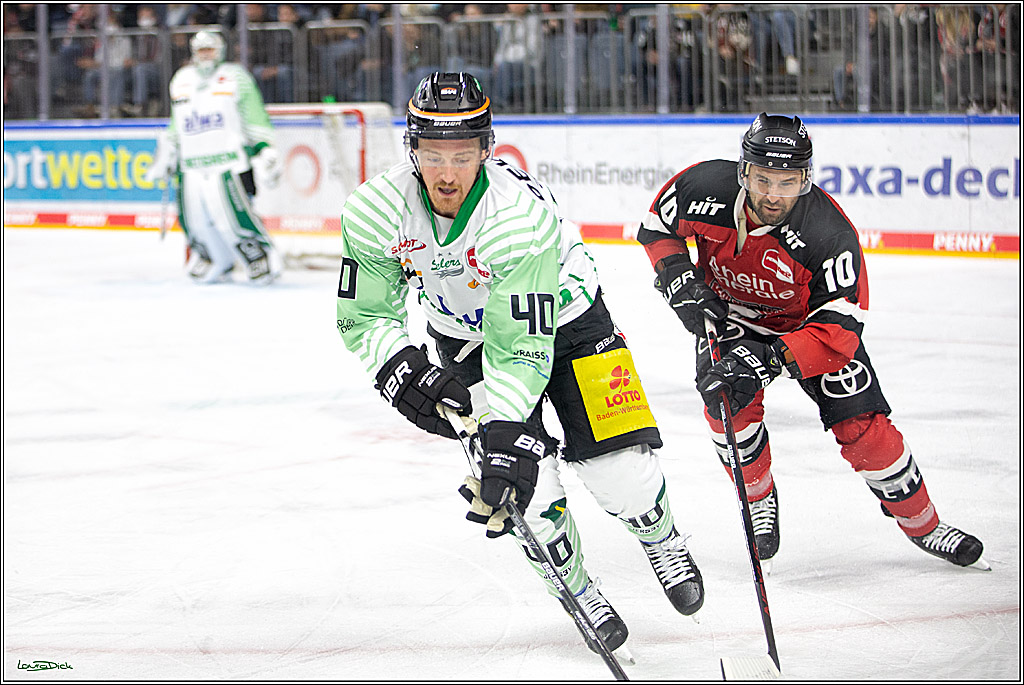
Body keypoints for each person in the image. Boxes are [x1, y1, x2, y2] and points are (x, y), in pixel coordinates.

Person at [334, 72, 705, 654]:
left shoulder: (515, 218)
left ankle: (658, 533)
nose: (447, 173)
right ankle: (578, 588)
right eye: (432, 155)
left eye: (461, 155)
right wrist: (397, 367)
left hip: (572, 319)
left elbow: (522, 346)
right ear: (412, 150)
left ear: (487, 149)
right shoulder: (376, 209)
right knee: (518, 493)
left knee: (621, 474)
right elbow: (364, 315)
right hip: (463, 339)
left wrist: (506, 432)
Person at [637, 112, 988, 573]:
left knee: (864, 428)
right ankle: (758, 498)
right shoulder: (704, 187)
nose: (772, 195)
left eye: (787, 182)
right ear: (744, 171)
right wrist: (678, 277)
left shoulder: (828, 233)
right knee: (726, 407)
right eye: (763, 180)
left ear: (806, 178)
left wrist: (773, 358)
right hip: (730, 318)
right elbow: (658, 227)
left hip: (806, 331)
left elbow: (840, 327)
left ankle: (926, 525)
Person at [144, 30, 283, 284]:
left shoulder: (235, 76)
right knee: (193, 219)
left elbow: (253, 115)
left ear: (220, 50)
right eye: (201, 50)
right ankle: (211, 257)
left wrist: (264, 147)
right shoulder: (181, 79)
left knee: (234, 217)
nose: (206, 55)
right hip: (191, 164)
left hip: (228, 162)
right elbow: (178, 123)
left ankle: (259, 257)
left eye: (210, 49)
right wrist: (166, 154)